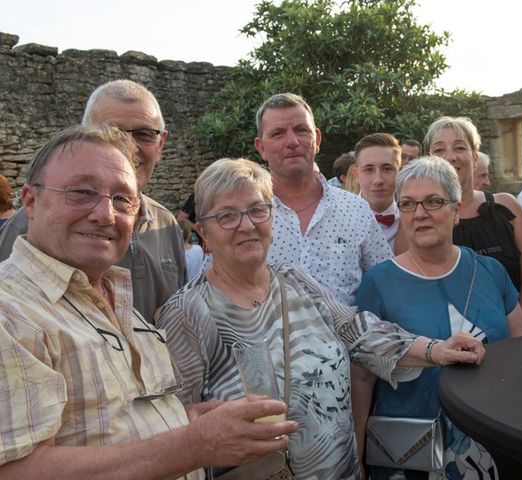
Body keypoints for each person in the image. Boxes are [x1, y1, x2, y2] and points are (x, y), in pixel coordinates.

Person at [155, 157, 486, 479]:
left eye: (258, 210)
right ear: (203, 233)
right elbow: (171, 424)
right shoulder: (187, 313)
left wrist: (435, 350)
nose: (247, 224)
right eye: (227, 215)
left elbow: (357, 330)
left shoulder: (294, 281)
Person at [0, 125, 298, 479]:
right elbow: (17, 470)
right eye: (81, 192)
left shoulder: (113, 296)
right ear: (30, 201)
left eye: (122, 199)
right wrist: (192, 444)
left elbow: (108, 423)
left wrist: (177, 419)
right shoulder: (12, 311)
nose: (105, 214)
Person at [354, 156, 522, 479]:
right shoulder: (377, 283)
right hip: (407, 452)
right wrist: (358, 453)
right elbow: (362, 378)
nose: (420, 214)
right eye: (407, 204)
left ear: (457, 210)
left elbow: (520, 352)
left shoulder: (490, 271)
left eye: (433, 202)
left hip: (491, 443)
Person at [0, 80, 186, 323]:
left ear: (160, 144)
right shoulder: (31, 222)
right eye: (112, 132)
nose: (130, 146)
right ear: (85, 136)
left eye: (144, 134)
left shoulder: (166, 224)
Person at [254, 92, 392, 306]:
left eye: (301, 130)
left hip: (347, 339)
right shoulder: (245, 216)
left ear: (317, 139)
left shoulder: (355, 210)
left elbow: (387, 284)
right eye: (278, 134)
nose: (292, 141)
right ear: (261, 147)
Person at [425, 116, 522, 325]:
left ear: (475, 156)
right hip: (446, 345)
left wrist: (517, 330)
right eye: (439, 150)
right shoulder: (418, 217)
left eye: (459, 148)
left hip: (510, 340)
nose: (450, 157)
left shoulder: (506, 207)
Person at [353, 132, 408, 254]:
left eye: (387, 169)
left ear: (400, 172)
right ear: (356, 174)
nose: (378, 180)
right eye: (369, 170)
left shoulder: (412, 220)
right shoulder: (336, 219)